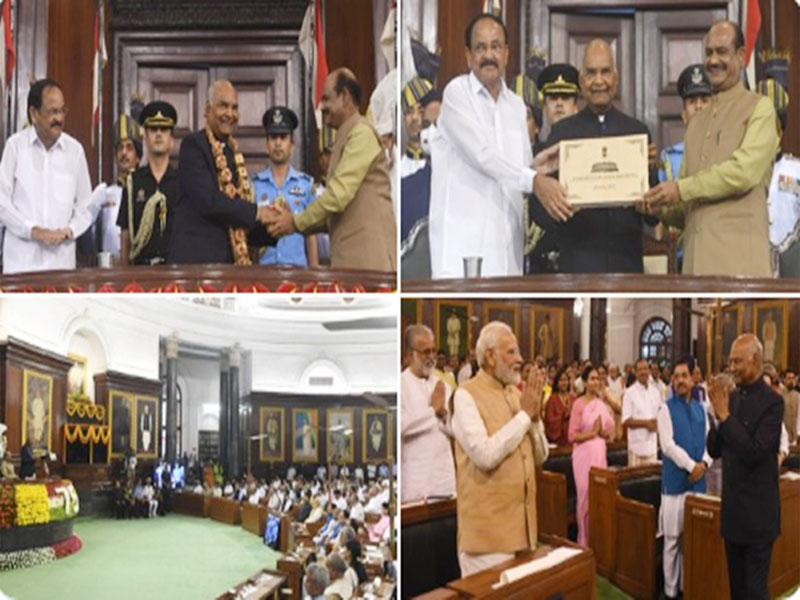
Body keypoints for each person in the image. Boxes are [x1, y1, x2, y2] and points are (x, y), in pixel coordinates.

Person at [428, 13, 563, 278]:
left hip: (506, 254)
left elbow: (515, 171)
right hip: (461, 255)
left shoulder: (515, 106)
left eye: (495, 46)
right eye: (480, 48)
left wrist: (539, 166)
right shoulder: (456, 95)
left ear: (507, 53)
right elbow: (482, 156)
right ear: (468, 56)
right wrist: (533, 179)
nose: (488, 55)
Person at [646, 21, 779, 277]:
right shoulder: (697, 123)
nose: (713, 60)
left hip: (740, 273)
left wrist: (680, 189)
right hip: (695, 272)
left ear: (741, 56)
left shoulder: (760, 109)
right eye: (708, 53)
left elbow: (743, 173)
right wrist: (659, 207)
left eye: (721, 51)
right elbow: (688, 205)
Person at [530, 40, 658, 273]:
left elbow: (654, 217)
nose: (599, 81)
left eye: (605, 72)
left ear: (616, 78)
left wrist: (650, 203)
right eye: (591, 73)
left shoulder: (637, 133)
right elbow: (539, 212)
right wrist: (558, 206)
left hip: (626, 266)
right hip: (576, 265)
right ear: (581, 81)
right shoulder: (562, 134)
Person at [265, 68, 396, 271]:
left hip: (372, 264)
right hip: (353, 266)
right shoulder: (345, 137)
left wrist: (295, 222)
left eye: (326, 99)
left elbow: (337, 197)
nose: (321, 106)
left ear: (344, 97)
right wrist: (295, 222)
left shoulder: (361, 134)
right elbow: (334, 214)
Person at [451, 321, 549, 576]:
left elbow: (541, 456)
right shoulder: (465, 395)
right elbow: (484, 455)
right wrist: (525, 417)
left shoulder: (516, 395)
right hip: (487, 541)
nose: (520, 359)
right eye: (512, 352)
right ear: (491, 357)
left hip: (523, 532)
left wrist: (535, 420)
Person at [707, 334, 784, 600]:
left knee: (755, 593)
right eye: (730, 361)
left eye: (738, 361)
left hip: (759, 519)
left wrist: (726, 416)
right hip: (733, 515)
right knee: (737, 592)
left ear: (756, 360)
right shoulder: (733, 398)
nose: (732, 367)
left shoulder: (773, 403)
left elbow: (755, 452)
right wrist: (717, 417)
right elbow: (714, 450)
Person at [169, 79, 276, 264]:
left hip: (227, 267)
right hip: (196, 266)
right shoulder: (193, 146)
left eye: (234, 108)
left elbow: (237, 220)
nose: (230, 114)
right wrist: (258, 212)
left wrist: (275, 226)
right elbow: (209, 201)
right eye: (223, 106)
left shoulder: (233, 154)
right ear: (207, 109)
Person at [0, 78, 92, 274]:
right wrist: (33, 231)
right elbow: (2, 202)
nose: (59, 118)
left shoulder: (74, 151)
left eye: (62, 111)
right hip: (20, 267)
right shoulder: (15, 147)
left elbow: (86, 207)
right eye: (52, 112)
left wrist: (70, 231)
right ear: (34, 114)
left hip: (61, 267)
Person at [657, 356, 713, 600]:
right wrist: (692, 465)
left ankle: (684, 588)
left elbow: (710, 442)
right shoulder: (665, 409)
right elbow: (667, 445)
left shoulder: (701, 409)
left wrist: (704, 464)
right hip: (674, 486)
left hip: (698, 485)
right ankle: (670, 592)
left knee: (690, 541)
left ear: (693, 378)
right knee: (672, 541)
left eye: (684, 376)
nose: (680, 380)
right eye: (676, 376)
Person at [252, 106, 317, 268]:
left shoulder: (306, 185)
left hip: (297, 271)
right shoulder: (254, 185)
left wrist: (314, 270)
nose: (278, 143)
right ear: (267, 144)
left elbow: (311, 232)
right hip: (263, 273)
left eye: (283, 137)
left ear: (292, 144)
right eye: (273, 137)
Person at [400, 324, 456, 502]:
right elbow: (401, 425)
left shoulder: (443, 385)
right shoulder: (401, 385)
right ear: (410, 354)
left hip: (445, 482)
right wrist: (433, 411)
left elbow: (456, 429)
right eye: (425, 352)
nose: (432, 357)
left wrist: (444, 415)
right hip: (417, 484)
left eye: (434, 351)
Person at [118, 101, 178, 266]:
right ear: (145, 138)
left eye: (164, 130)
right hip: (141, 272)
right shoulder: (132, 183)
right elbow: (126, 239)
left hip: (174, 270)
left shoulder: (183, 182)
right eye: (153, 129)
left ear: (171, 140)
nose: (158, 134)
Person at [83, 112, 143, 261]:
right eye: (120, 148)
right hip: (109, 268)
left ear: (138, 157)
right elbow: (83, 226)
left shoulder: (145, 192)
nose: (124, 153)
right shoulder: (104, 193)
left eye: (129, 148)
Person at [569, 365, 615, 547]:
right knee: (585, 498)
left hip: (599, 453)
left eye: (598, 379)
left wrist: (602, 433)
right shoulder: (579, 404)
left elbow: (609, 434)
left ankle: (598, 540)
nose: (596, 382)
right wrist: (592, 433)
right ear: (585, 382)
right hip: (583, 455)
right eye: (593, 379)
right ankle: (583, 541)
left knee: (598, 497)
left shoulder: (601, 404)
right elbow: (572, 436)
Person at [658, 64, 713, 183]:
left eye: (704, 100)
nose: (698, 106)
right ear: (684, 115)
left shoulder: (726, 149)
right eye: (692, 101)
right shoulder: (669, 157)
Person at [622, 358, 662, 466]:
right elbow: (626, 420)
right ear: (635, 372)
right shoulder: (629, 393)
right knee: (636, 482)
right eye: (640, 369)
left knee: (652, 481)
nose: (643, 372)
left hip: (652, 446)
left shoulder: (656, 392)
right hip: (636, 448)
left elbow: (660, 416)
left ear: (649, 371)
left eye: (645, 369)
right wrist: (646, 424)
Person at [544, 364, 573, 445]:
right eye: (561, 380)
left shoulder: (573, 398)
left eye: (566, 380)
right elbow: (549, 421)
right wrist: (563, 416)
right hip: (558, 440)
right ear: (557, 382)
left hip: (572, 438)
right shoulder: (552, 399)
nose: (564, 383)